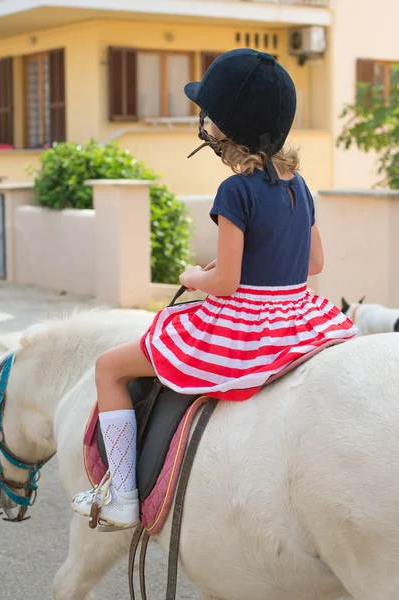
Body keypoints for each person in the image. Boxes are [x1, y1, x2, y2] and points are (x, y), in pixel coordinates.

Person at [72, 49, 356, 529]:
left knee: (109, 367)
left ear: (227, 126)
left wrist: (190, 276)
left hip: (248, 320)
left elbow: (223, 284)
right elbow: (315, 262)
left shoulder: (235, 191)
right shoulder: (299, 185)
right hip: (298, 316)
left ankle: (120, 495)